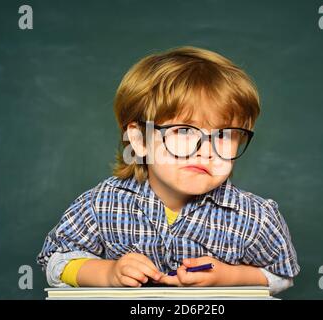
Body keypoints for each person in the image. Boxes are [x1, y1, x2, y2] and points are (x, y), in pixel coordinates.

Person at [37, 46, 300, 294]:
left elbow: (282, 274)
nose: (206, 149)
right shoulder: (100, 204)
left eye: (224, 135)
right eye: (184, 130)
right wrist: (108, 272)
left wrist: (230, 277)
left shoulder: (255, 217)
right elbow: (56, 262)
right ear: (139, 140)